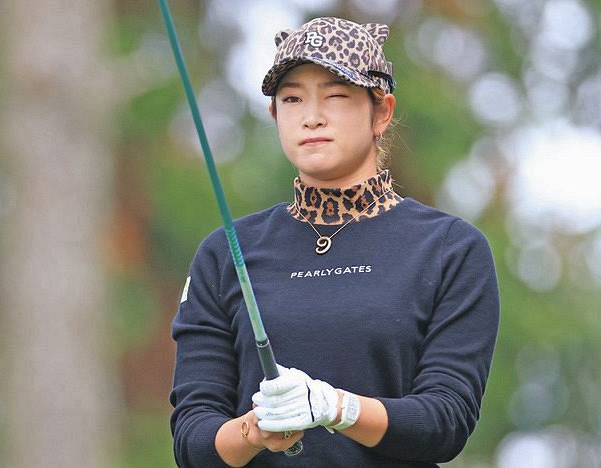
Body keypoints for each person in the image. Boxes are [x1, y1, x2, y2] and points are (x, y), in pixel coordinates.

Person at [169, 16, 499, 468]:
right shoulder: (225, 252)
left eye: (337, 96)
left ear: (380, 112)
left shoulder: (450, 249)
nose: (312, 116)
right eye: (292, 99)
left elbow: (445, 421)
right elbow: (192, 439)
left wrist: (338, 408)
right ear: (275, 115)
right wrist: (255, 430)